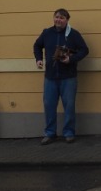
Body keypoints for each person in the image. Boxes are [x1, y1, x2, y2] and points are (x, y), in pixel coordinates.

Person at [33, 8, 89, 144]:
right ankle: (50, 133)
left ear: (67, 20)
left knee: (69, 106)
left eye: (62, 18)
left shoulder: (73, 34)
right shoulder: (47, 33)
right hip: (50, 77)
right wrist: (38, 59)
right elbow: (37, 46)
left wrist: (71, 59)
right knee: (49, 105)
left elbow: (84, 50)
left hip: (68, 77)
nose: (58, 20)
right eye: (56, 17)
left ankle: (69, 133)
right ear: (53, 18)